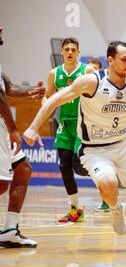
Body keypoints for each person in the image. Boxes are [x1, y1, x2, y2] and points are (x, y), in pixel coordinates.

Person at [24, 41, 126, 251]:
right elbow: (54, 100)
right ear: (110, 60)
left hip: (124, 144)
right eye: (124, 59)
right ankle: (116, 208)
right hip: (95, 148)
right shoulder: (91, 82)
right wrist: (34, 127)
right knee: (109, 183)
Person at [43, 38, 101, 222]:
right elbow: (47, 97)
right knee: (64, 166)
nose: (69, 52)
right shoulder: (54, 74)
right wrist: (44, 111)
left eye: (73, 49)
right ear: (62, 52)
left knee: (80, 165)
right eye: (66, 49)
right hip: (65, 124)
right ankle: (75, 209)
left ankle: (106, 179)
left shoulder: (87, 70)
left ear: (78, 52)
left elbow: (99, 94)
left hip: (83, 124)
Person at [0, 25, 45, 247]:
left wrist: (29, 92)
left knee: (23, 168)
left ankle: (9, 229)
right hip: (2, 128)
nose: (1, 28)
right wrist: (13, 129)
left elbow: (7, 87)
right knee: (1, 183)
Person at [86, 57, 110, 213]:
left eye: (95, 69)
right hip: (85, 132)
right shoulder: (83, 86)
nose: (92, 72)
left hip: (102, 133)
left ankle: (107, 201)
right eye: (90, 69)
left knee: (103, 169)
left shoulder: (104, 86)